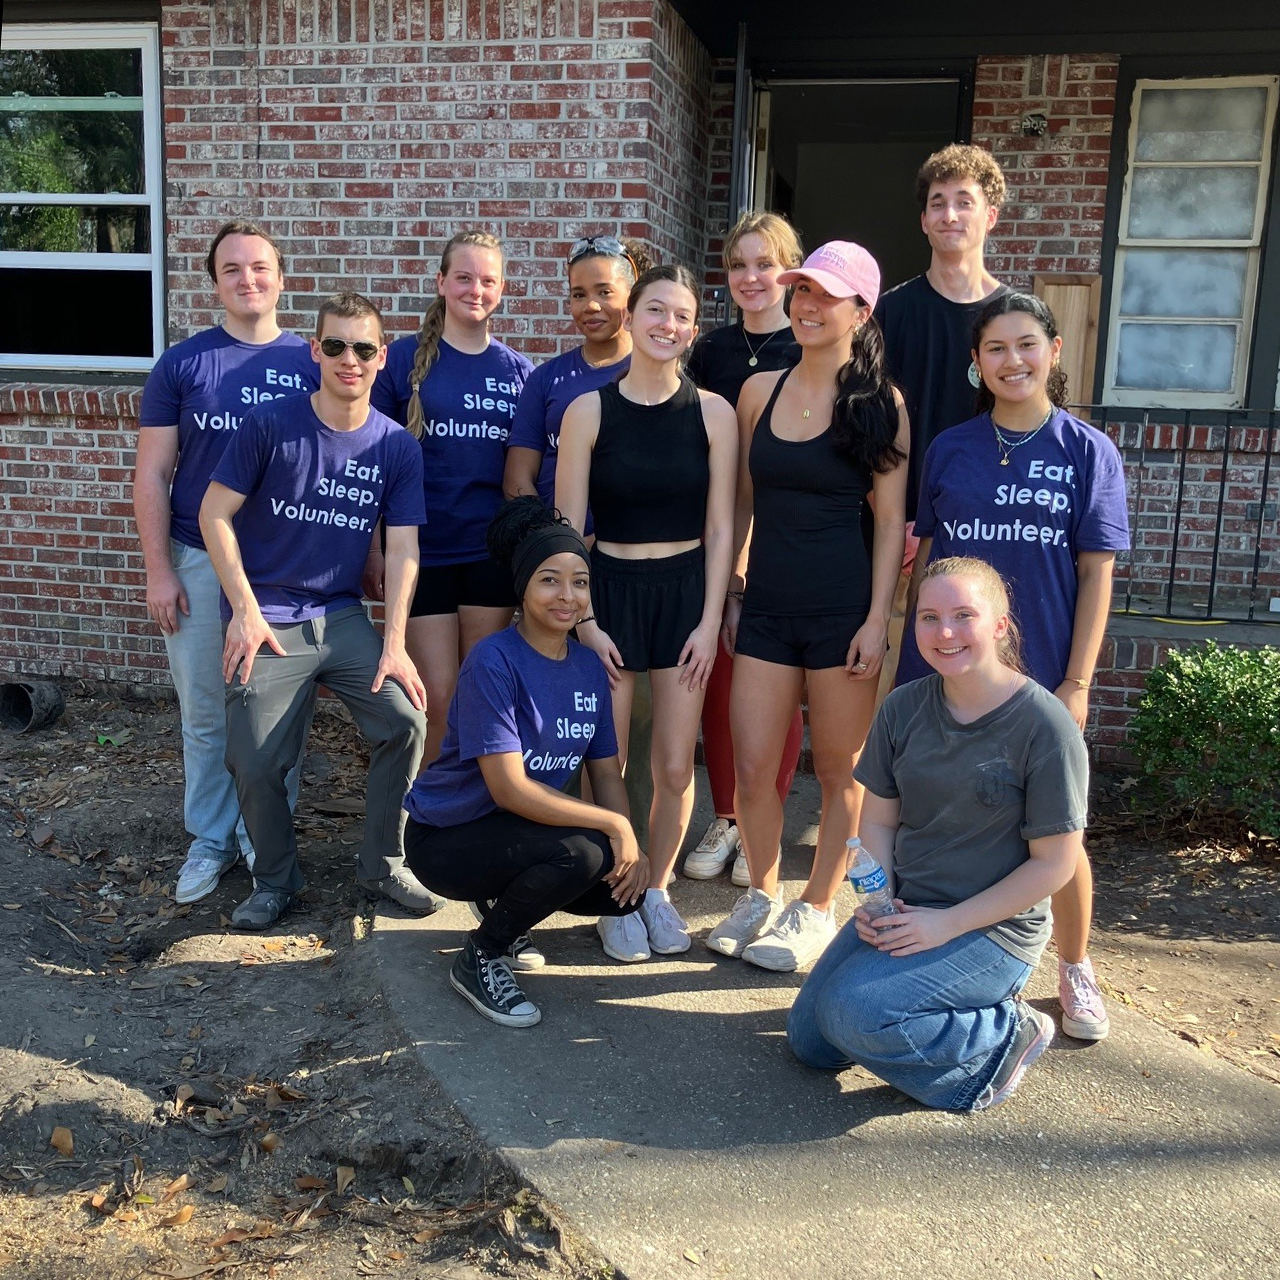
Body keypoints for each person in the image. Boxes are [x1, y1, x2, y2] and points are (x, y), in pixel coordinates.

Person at [894, 291, 1129, 1041]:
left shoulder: (1088, 452)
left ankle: (1075, 965)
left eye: (1027, 344)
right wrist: (912, 643)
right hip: (947, 665)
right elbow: (927, 559)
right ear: (976, 363)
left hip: (1041, 673)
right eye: (995, 349)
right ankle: (939, 950)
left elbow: (1097, 573)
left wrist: (1078, 681)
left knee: (1056, 829)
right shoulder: (950, 448)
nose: (1012, 360)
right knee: (938, 811)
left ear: (1054, 351)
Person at [787, 557, 1088, 1111]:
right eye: (929, 617)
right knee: (811, 1041)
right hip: (912, 906)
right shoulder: (903, 707)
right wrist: (879, 903)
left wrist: (946, 925)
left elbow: (1055, 865)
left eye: (963, 615)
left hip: (992, 929)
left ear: (1000, 625)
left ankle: (1002, 1035)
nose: (944, 633)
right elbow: (877, 820)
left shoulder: (1046, 727)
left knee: (852, 1014)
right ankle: (905, 1012)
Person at [199, 292, 437, 929]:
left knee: (406, 720)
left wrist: (394, 642)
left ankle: (383, 865)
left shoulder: (396, 447)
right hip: (269, 618)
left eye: (363, 348)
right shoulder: (271, 425)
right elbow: (213, 514)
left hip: (343, 617)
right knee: (250, 758)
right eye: (335, 346)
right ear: (315, 351)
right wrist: (245, 612)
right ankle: (275, 879)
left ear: (382, 358)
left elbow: (405, 548)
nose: (348, 359)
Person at [709, 241, 909, 973]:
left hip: (840, 612)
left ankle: (818, 907)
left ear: (861, 311)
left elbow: (890, 522)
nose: (807, 305)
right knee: (752, 769)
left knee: (838, 771)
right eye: (801, 291)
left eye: (826, 295)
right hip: (764, 608)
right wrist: (732, 586)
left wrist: (875, 622)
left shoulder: (879, 404)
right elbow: (739, 504)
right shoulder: (758, 390)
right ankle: (761, 894)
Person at [403, 498, 650, 1027]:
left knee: (623, 890)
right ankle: (482, 955)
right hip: (447, 835)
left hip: (516, 830)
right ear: (522, 587)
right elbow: (509, 789)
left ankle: (505, 910)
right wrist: (615, 825)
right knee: (584, 854)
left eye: (579, 582)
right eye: (549, 580)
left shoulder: (587, 667)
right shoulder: (493, 660)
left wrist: (631, 849)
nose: (567, 595)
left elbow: (606, 771)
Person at [556, 263, 738, 961]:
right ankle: (615, 891)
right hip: (611, 593)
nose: (668, 325)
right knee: (610, 760)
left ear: (693, 329)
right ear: (631, 317)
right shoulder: (589, 412)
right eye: (655, 310)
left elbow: (721, 529)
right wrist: (587, 621)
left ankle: (656, 887)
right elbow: (566, 530)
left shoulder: (714, 413)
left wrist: (707, 618)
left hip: (686, 594)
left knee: (671, 767)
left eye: (681, 315)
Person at [135, 220, 318, 906]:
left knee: (281, 712)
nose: (248, 280)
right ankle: (211, 836)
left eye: (260, 267)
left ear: (280, 277)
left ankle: (263, 834)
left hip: (286, 564)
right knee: (208, 712)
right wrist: (159, 569)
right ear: (215, 282)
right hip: (198, 560)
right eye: (233, 269)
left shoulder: (312, 361)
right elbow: (152, 473)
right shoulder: (183, 365)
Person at [370, 231, 533, 768]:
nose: (475, 290)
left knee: (476, 694)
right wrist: (373, 549)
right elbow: (371, 463)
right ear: (441, 283)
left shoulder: (518, 373)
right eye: (463, 277)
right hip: (422, 554)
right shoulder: (399, 363)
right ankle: (431, 818)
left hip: (489, 555)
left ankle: (472, 812)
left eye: (487, 280)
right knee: (434, 696)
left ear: (502, 290)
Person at [682, 212, 806, 887]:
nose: (752, 278)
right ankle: (726, 815)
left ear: (790, 272)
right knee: (719, 683)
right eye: (739, 265)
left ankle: (765, 817)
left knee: (774, 685)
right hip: (711, 529)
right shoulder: (711, 353)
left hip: (781, 535)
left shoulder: (806, 345)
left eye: (766, 264)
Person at [874, 144, 1010, 695]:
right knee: (893, 700)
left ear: (990, 216)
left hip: (988, 532)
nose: (950, 214)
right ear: (924, 220)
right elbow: (869, 427)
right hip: (902, 539)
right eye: (937, 203)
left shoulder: (1011, 318)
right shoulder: (891, 312)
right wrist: (894, 517)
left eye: (964, 201)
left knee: (981, 695)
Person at [503, 235, 648, 512]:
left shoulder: (654, 376)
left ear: (632, 295)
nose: (590, 306)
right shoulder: (545, 378)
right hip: (555, 546)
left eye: (604, 292)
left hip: (627, 549)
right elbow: (517, 479)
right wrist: (552, 540)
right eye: (579, 294)